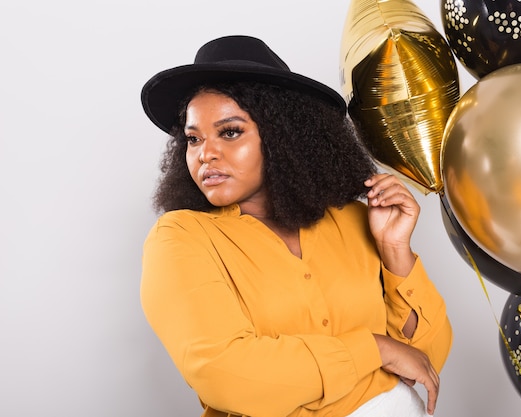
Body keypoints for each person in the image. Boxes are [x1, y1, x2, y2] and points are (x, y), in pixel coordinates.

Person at [140, 35, 452, 417]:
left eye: (230, 132)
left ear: (281, 135)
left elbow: (424, 360)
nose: (205, 153)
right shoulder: (181, 238)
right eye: (193, 138)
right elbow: (226, 375)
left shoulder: (354, 219)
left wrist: (394, 251)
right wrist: (374, 348)